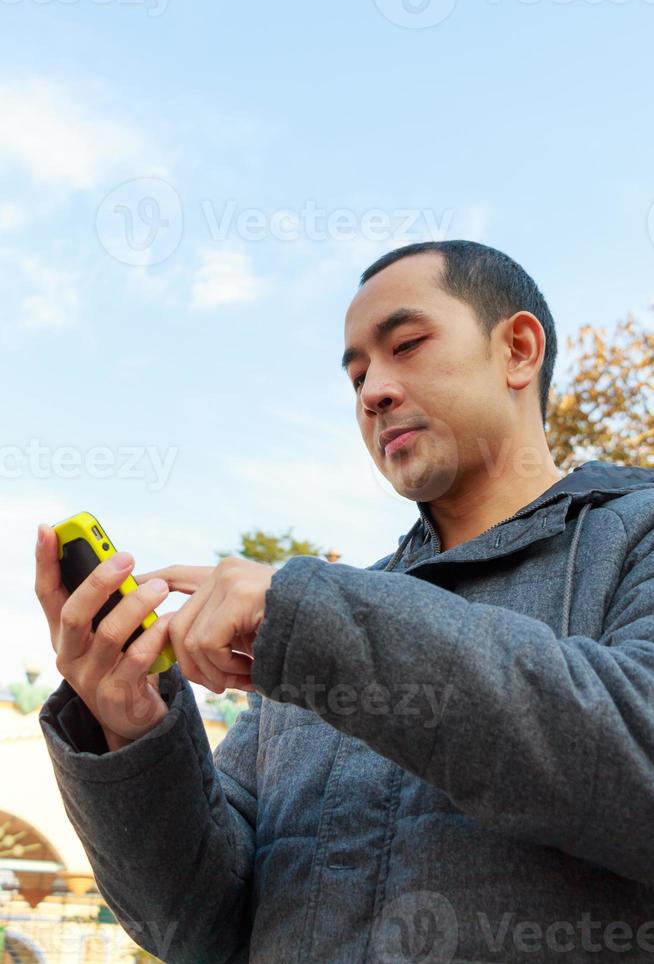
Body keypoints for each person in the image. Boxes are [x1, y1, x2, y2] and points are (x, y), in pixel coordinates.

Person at [36, 241, 654, 964]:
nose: (372, 391)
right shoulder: (309, 627)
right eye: (357, 373)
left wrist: (308, 621)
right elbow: (199, 925)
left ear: (518, 349)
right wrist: (132, 731)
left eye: (407, 345)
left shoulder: (635, 531)